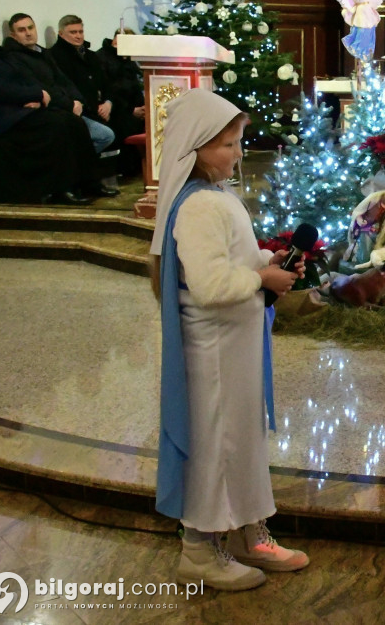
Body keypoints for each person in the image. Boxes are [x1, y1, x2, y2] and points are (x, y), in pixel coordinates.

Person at [149, 88, 309, 592]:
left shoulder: (216, 196)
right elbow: (211, 284)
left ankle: (246, 534)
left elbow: (226, 259)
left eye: (239, 142)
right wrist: (263, 280)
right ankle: (199, 549)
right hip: (214, 353)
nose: (238, 153)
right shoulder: (197, 206)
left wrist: (265, 259)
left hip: (233, 347)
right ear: (193, 149)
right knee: (216, 443)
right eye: (227, 145)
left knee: (240, 440)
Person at [0, 13, 100, 205]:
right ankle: (61, 188)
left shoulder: (1, 55)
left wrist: (33, 96)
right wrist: (34, 95)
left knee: (72, 121)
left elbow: (22, 80)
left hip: (19, 110)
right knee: (58, 125)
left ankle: (88, 182)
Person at [1, 12, 118, 183]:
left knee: (105, 134)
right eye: (21, 30)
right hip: (53, 110)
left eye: (31, 28)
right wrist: (70, 104)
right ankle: (75, 176)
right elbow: (41, 88)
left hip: (71, 107)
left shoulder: (43, 53)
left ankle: (78, 172)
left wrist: (78, 101)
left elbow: (63, 80)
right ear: (13, 35)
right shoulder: (14, 58)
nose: (28, 33)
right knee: (94, 135)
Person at [51, 14, 121, 190]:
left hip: (99, 108)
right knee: (105, 135)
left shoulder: (90, 55)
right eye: (72, 32)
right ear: (61, 34)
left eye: (80, 31)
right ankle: (83, 173)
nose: (78, 35)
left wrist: (108, 103)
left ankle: (98, 176)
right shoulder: (56, 57)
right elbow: (66, 88)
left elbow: (106, 84)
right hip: (79, 111)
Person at [97, 27, 146, 175]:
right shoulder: (102, 58)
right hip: (116, 109)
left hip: (132, 108)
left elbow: (134, 88)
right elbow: (110, 90)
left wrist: (143, 107)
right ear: (116, 41)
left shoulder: (128, 60)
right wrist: (132, 110)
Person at [344, 183, 385, 265]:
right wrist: (360, 220)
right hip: (363, 229)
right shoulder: (374, 200)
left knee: (375, 253)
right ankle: (356, 254)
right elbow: (358, 212)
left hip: (375, 231)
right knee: (365, 257)